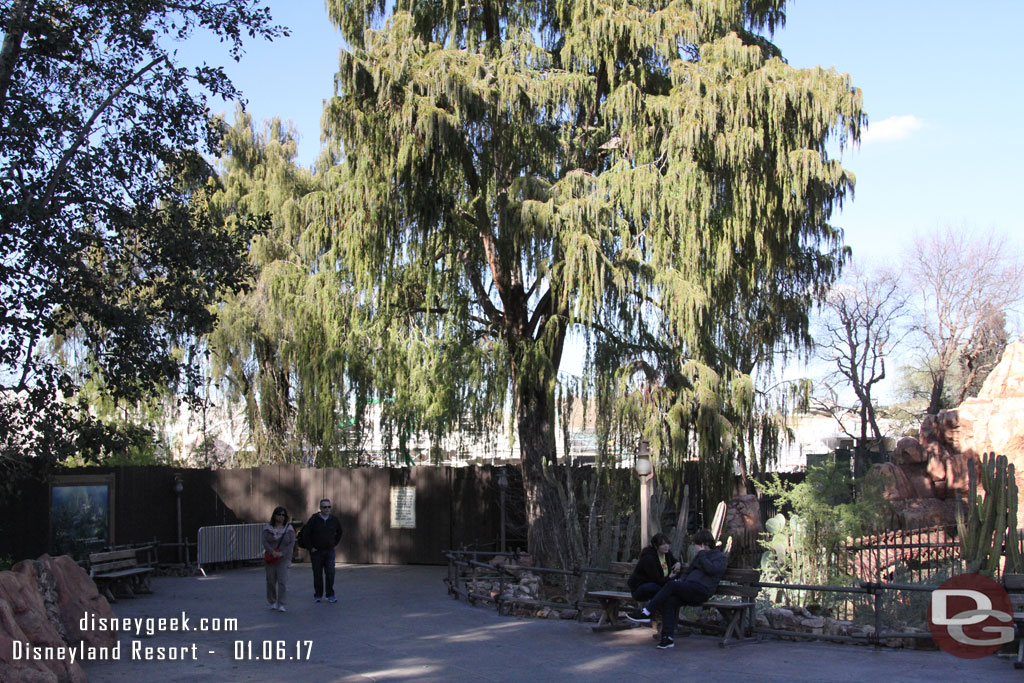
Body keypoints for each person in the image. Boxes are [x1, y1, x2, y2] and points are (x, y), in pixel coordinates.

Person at [626, 529, 727, 649]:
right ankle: (667, 638)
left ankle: (646, 612)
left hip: (702, 591)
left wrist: (702, 554)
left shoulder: (720, 557)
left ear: (703, 544)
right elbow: (688, 573)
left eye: (695, 545)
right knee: (670, 600)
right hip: (689, 589)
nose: (694, 547)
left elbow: (711, 570)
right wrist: (682, 581)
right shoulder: (700, 557)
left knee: (671, 585)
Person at [298, 498, 343, 603]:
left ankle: (330, 594)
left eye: (329, 507)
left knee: (330, 573)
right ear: (320, 508)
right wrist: (311, 548)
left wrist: (334, 543)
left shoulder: (334, 520)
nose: (327, 509)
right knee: (317, 574)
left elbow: (340, 532)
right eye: (324, 507)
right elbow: (306, 534)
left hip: (329, 551)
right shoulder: (314, 520)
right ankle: (318, 594)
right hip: (316, 552)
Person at [627, 533, 681, 602]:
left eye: (667, 543)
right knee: (663, 591)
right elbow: (657, 580)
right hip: (640, 589)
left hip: (658, 586)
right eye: (663, 544)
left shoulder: (667, 553)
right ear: (656, 546)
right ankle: (652, 611)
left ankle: (655, 611)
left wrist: (678, 563)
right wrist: (670, 577)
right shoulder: (649, 558)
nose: (666, 546)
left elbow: (674, 561)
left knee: (670, 591)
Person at [262, 506, 296, 612]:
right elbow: (265, 541)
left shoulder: (289, 529)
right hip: (271, 558)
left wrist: (282, 553)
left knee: (282, 581)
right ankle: (272, 601)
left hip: (284, 558)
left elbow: (291, 543)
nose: (280, 517)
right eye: (278, 514)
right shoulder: (268, 528)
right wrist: (272, 552)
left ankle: (281, 603)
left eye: (283, 515)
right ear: (274, 515)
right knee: (271, 581)